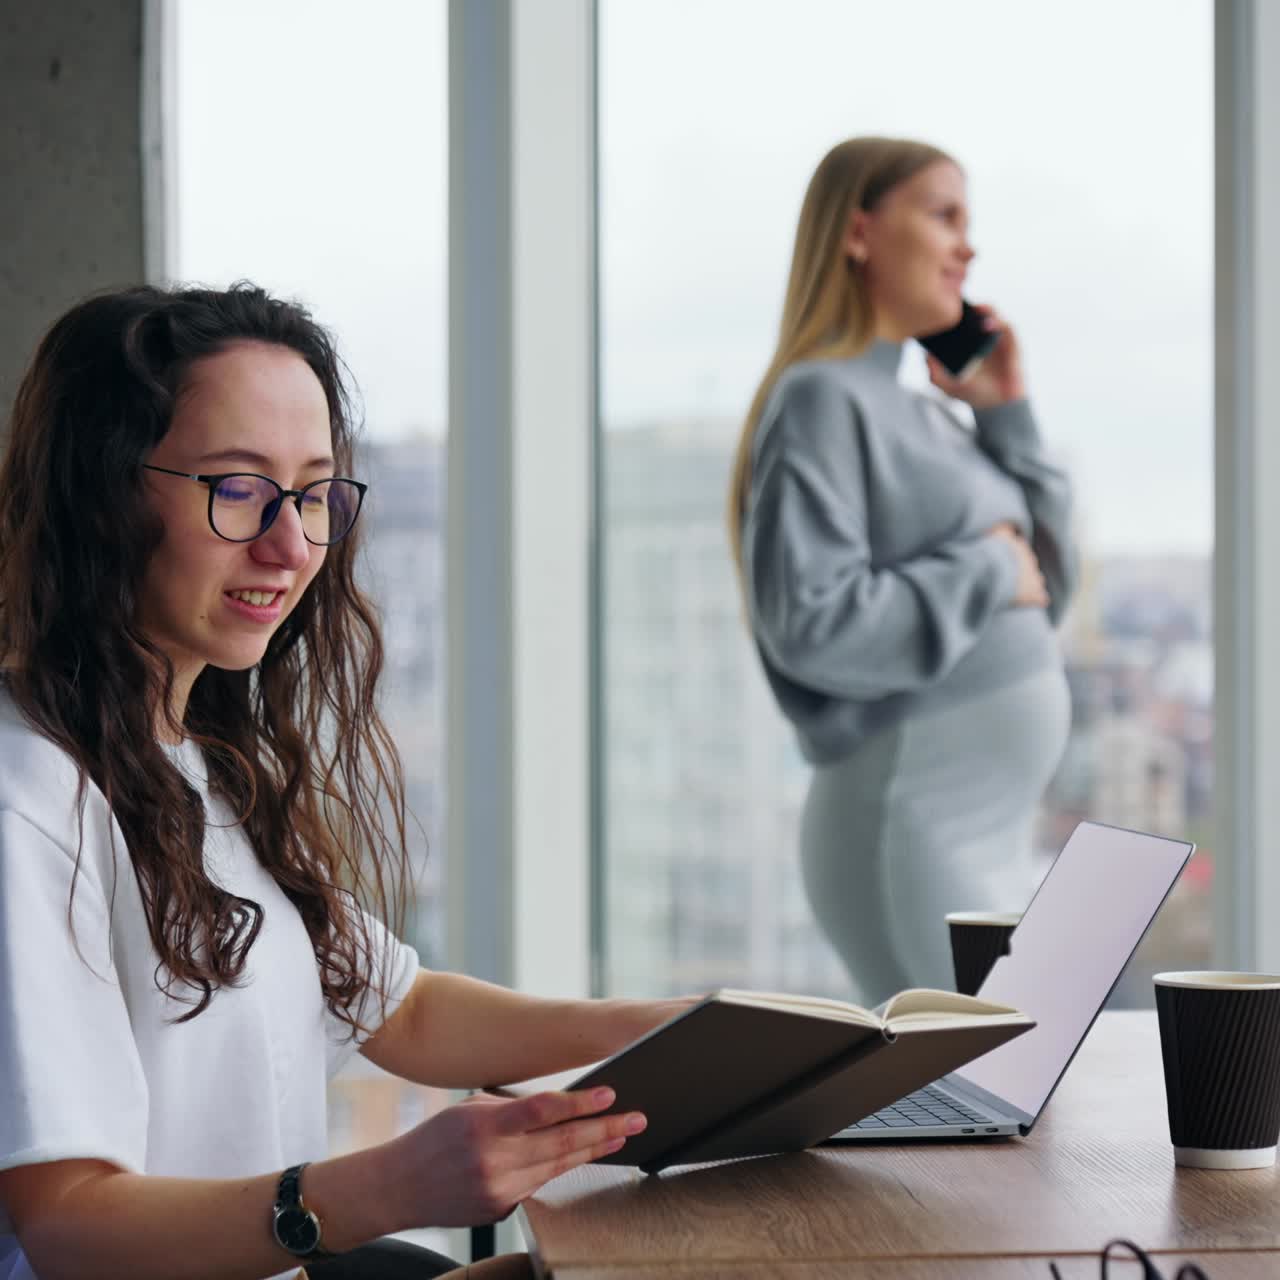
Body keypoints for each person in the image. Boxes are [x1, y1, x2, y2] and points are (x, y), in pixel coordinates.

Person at [0, 284, 687, 1280]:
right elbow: (69, 1224)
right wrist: (389, 1183)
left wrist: (659, 1027)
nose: (289, 546)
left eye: (313, 492)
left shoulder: (192, 758)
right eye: (237, 488)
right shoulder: (30, 803)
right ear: (102, 491)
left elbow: (396, 1007)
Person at [727, 137, 1077, 1005]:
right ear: (859, 232)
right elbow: (811, 623)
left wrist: (1008, 417)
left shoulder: (932, 416)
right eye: (943, 214)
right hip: (912, 819)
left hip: (987, 828)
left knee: (995, 1095)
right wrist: (986, 570)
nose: (968, 247)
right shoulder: (819, 399)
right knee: (979, 1094)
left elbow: (1047, 585)